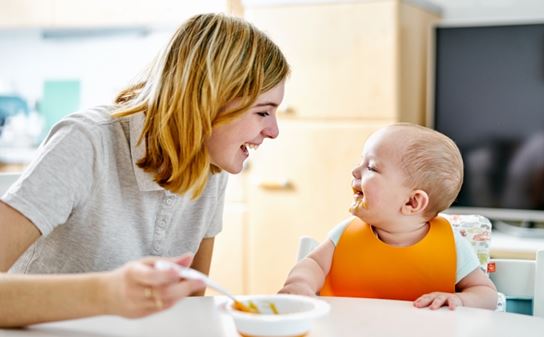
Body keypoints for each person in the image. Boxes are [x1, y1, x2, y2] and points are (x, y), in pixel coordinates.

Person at [0, 13, 289, 327]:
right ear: (209, 100)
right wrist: (108, 293)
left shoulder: (211, 168)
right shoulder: (86, 141)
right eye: (263, 112)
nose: (273, 131)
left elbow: (188, 309)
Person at [279, 123, 498, 310]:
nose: (356, 171)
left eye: (372, 168)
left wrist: (459, 299)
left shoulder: (451, 246)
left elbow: (486, 294)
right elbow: (313, 265)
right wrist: (300, 284)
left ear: (412, 202)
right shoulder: (345, 235)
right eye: (361, 162)